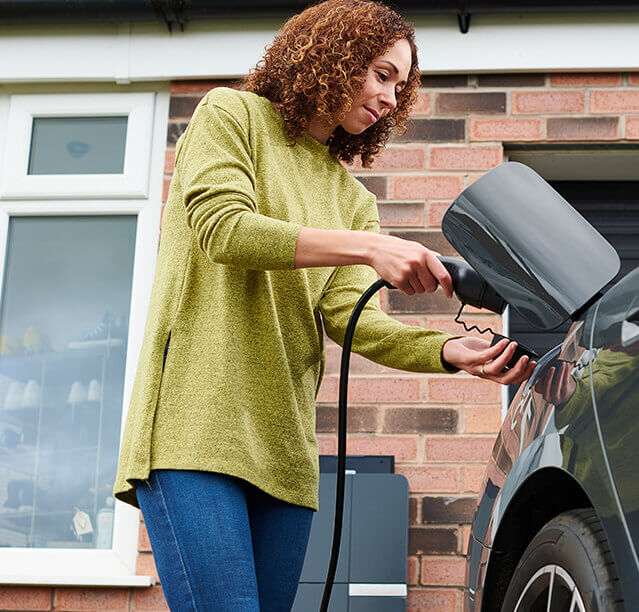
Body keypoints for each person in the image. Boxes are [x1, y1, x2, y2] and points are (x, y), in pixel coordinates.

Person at [112, 1, 535, 609]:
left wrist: (449, 350)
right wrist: (370, 248)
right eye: (382, 73)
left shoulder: (350, 198)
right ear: (334, 54)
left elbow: (351, 320)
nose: (392, 97)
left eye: (402, 85)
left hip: (284, 452)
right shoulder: (230, 116)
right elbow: (223, 228)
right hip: (193, 429)